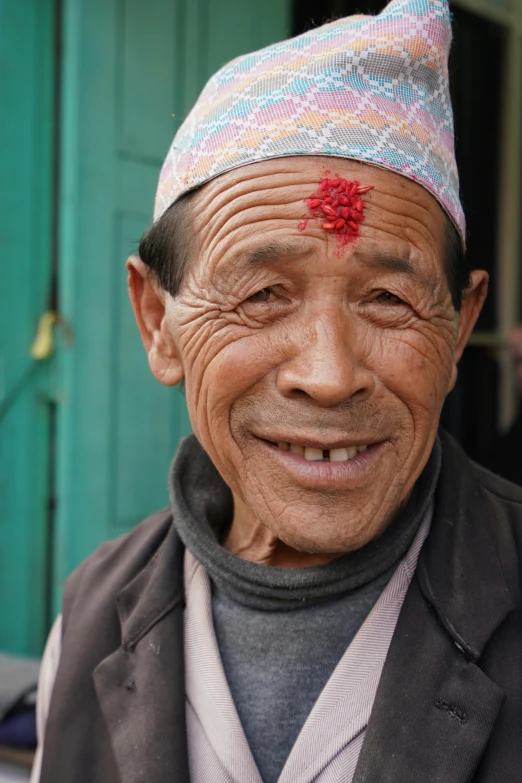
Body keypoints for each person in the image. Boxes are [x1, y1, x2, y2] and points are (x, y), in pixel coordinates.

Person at [31, 1, 522, 781]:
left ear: (458, 329)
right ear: (159, 321)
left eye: (389, 300)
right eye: (262, 295)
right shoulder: (94, 611)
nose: (327, 375)